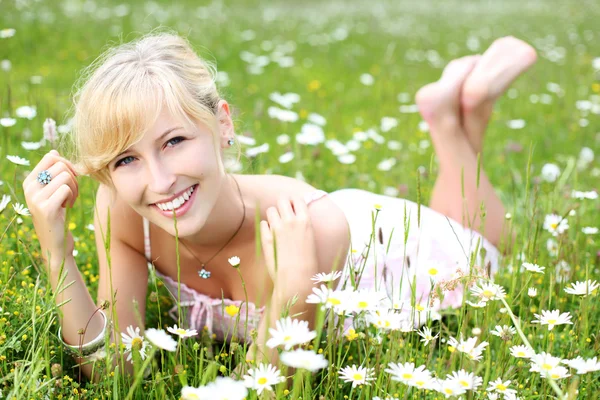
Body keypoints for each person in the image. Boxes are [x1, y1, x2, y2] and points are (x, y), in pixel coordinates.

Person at [23, 33, 536, 380]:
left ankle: (452, 122)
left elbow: (266, 384)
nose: (158, 182)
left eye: (175, 141)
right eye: (127, 159)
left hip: (383, 249)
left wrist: (295, 285)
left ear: (222, 124)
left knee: (485, 248)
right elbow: (119, 368)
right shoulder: (123, 210)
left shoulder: (310, 226)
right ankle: (456, 109)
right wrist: (57, 253)